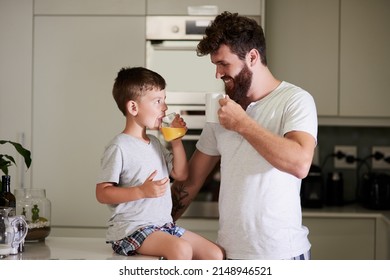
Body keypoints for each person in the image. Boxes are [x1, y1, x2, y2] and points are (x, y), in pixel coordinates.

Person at [171, 12, 318, 260]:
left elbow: (300, 163)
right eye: (215, 65)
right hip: (230, 254)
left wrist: (243, 124)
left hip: (282, 255)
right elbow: (192, 181)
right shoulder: (221, 108)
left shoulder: (295, 100)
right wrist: (152, 226)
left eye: (224, 64)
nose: (217, 74)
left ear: (252, 56)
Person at [96, 67, 224, 260]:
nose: (165, 107)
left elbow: (181, 175)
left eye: (165, 100)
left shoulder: (155, 143)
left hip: (164, 227)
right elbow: (102, 193)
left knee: (215, 255)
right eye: (157, 101)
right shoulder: (119, 147)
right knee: (182, 250)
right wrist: (141, 191)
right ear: (133, 108)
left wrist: (176, 140)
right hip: (131, 230)